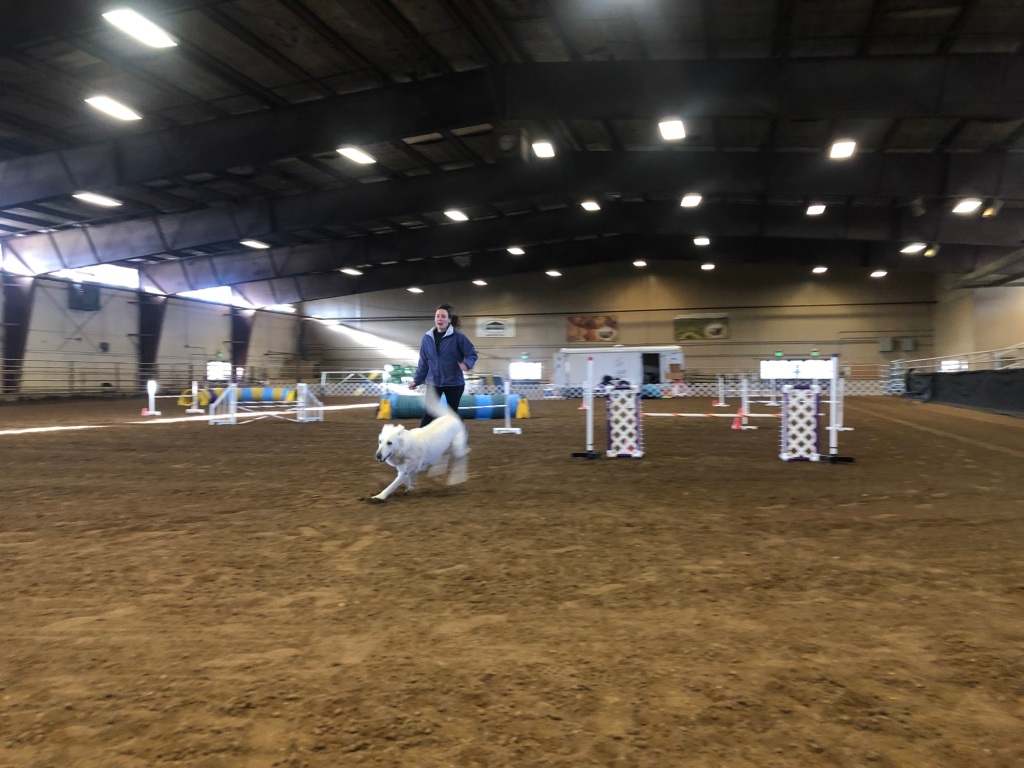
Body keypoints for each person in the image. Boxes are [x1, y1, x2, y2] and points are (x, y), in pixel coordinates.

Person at [409, 303, 478, 427]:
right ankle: (420, 442)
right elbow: (423, 362)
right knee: (429, 414)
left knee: (452, 415)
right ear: (434, 319)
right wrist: (417, 380)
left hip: (454, 383)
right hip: (433, 382)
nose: (440, 319)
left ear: (449, 319)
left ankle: (461, 436)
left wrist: (466, 364)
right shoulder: (427, 338)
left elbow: (472, 354)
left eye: (443, 316)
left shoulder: (458, 337)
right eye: (437, 316)